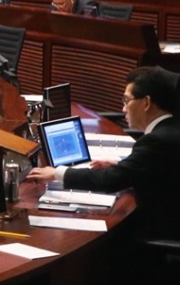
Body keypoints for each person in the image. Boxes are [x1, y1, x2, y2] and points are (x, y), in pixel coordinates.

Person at [27, 66, 180, 237]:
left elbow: (110, 180)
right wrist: (122, 166)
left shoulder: (157, 141)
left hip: (164, 230)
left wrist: (57, 173)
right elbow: (157, 168)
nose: (123, 109)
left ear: (146, 103)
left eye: (126, 100)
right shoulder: (171, 129)